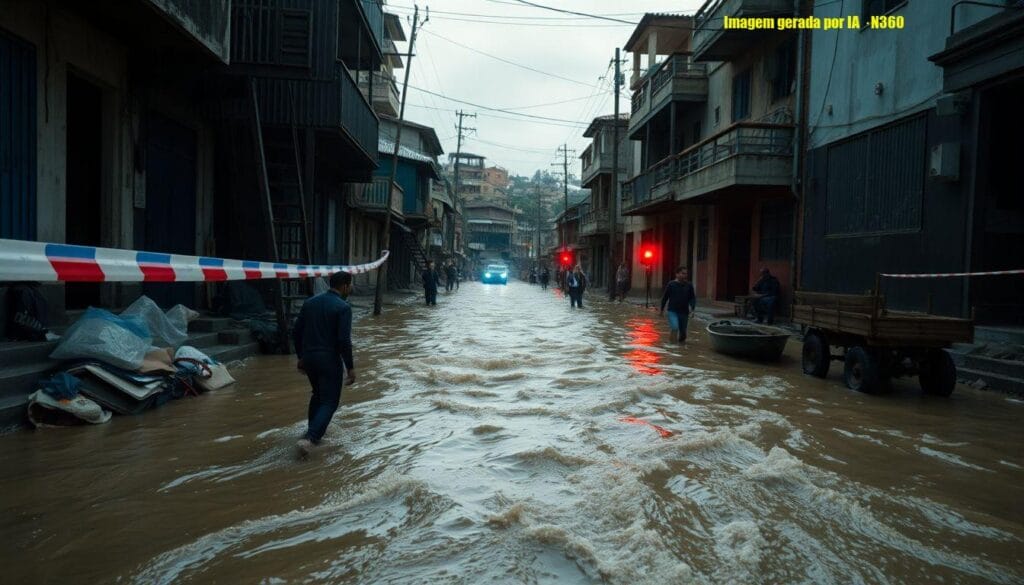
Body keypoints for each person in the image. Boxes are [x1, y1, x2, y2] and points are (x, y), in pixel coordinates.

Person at [293, 270, 356, 455]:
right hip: (328, 359)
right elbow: (343, 340)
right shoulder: (343, 307)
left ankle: (311, 432)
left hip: (310, 358)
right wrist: (350, 367)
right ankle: (311, 439)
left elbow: (296, 332)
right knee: (330, 401)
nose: (350, 288)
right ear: (345, 286)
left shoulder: (310, 302)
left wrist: (301, 357)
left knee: (318, 395)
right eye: (350, 285)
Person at [659, 266, 697, 343]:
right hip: (672, 311)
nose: (685, 275)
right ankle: (672, 347)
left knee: (683, 334)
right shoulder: (671, 284)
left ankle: (681, 350)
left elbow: (692, 298)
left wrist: (692, 309)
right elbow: (665, 297)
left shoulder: (689, 285)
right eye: (683, 273)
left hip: (684, 312)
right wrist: (661, 310)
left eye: (686, 274)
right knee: (675, 328)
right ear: (677, 274)